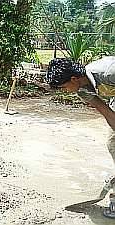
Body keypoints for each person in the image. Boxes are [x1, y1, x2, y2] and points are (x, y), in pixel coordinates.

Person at [46, 56, 115, 218]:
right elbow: (106, 112)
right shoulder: (82, 89)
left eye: (64, 87)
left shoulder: (109, 72)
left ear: (73, 79)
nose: (66, 91)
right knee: (113, 143)